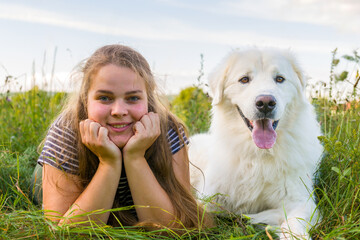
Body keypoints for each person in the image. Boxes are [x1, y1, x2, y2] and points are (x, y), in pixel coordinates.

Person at [35, 44, 211, 228]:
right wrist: (108, 163)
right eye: (104, 98)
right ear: (85, 100)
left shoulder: (168, 130)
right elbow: (64, 232)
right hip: (49, 177)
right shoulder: (65, 132)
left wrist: (135, 157)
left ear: (148, 100)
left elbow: (174, 227)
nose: (119, 111)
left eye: (133, 98)